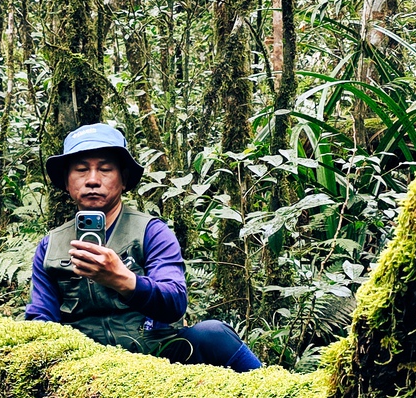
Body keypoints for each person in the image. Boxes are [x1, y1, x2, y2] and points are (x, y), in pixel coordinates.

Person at [24, 123, 263, 371]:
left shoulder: (151, 232)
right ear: (66, 181)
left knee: (214, 334)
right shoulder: (50, 246)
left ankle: (278, 396)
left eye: (105, 169)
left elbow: (175, 301)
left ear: (124, 179)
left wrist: (123, 280)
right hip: (83, 364)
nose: (93, 180)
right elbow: (41, 319)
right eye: (81, 170)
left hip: (154, 355)